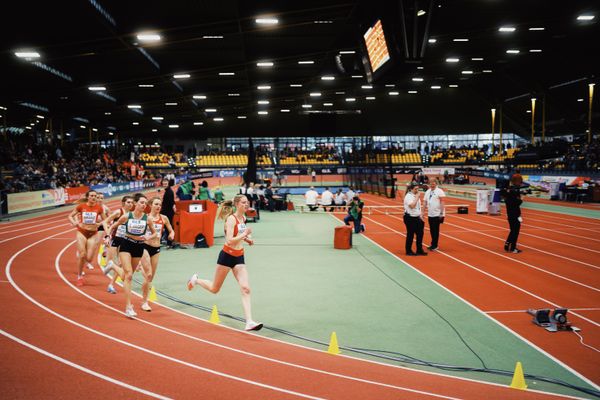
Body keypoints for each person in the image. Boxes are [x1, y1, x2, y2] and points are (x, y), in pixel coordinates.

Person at [187, 194, 263, 331]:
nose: (247, 205)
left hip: (239, 257)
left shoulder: (243, 218)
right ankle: (196, 280)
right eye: (244, 203)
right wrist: (245, 234)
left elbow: (239, 236)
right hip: (227, 256)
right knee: (214, 289)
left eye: (247, 203)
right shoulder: (231, 219)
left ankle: (249, 321)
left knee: (246, 288)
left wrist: (247, 240)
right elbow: (229, 240)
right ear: (237, 204)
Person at [106, 193, 158, 318]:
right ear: (135, 203)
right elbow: (113, 226)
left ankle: (112, 265)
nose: (143, 205)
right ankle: (128, 307)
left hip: (139, 247)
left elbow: (155, 233)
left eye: (145, 203)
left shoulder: (148, 218)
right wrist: (108, 237)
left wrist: (148, 237)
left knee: (126, 276)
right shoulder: (126, 216)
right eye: (141, 202)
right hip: (126, 245)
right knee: (128, 275)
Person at [140, 197, 175, 311]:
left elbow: (171, 230)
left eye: (160, 204)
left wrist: (172, 235)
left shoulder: (164, 218)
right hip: (145, 246)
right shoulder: (145, 218)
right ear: (150, 205)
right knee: (148, 274)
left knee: (150, 278)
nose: (158, 206)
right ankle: (145, 302)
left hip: (156, 248)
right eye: (156, 204)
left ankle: (142, 270)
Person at [68, 190, 108, 286]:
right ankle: (79, 276)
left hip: (93, 233)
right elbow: (70, 216)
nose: (93, 197)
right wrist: (74, 223)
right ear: (88, 197)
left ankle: (83, 258)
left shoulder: (99, 208)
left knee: (89, 259)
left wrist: (100, 224)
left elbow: (106, 220)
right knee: (82, 254)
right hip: (81, 232)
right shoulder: (81, 206)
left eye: (95, 196)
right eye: (91, 196)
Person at [103, 195, 134, 294]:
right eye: (128, 202)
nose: (130, 204)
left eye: (132, 202)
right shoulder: (118, 212)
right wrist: (107, 236)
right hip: (114, 240)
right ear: (123, 203)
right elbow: (105, 222)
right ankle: (109, 263)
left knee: (121, 264)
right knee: (112, 262)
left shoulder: (132, 214)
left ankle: (111, 285)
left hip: (124, 240)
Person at [403, 184, 427, 256]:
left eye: (418, 189)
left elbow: (418, 207)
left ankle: (419, 250)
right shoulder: (408, 196)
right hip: (410, 218)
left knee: (420, 234)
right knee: (410, 235)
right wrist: (417, 197)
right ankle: (408, 251)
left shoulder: (416, 195)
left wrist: (421, 215)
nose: (417, 190)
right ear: (411, 189)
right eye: (415, 189)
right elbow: (412, 206)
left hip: (417, 217)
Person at [424, 181, 445, 251]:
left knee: (436, 230)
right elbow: (425, 202)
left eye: (433, 184)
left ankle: (435, 245)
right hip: (430, 214)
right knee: (432, 230)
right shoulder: (427, 191)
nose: (432, 185)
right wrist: (423, 212)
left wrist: (441, 213)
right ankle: (433, 244)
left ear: (436, 184)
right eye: (431, 184)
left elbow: (442, 202)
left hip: (437, 214)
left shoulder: (439, 191)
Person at [503, 187, 523, 253]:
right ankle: (513, 248)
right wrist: (521, 197)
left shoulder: (507, 199)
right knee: (515, 232)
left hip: (510, 217)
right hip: (515, 217)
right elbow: (518, 202)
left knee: (512, 231)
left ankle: (507, 244)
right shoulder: (514, 200)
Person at [160, 179, 176, 247]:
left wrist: (162, 212)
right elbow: (172, 202)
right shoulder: (168, 191)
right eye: (163, 183)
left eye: (166, 183)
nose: (164, 184)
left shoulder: (169, 192)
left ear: (168, 183)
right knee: (168, 227)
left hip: (168, 212)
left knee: (168, 228)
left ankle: (169, 242)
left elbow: (169, 203)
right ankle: (169, 242)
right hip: (168, 212)